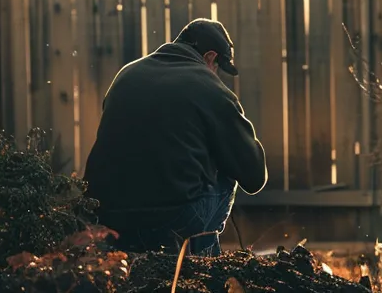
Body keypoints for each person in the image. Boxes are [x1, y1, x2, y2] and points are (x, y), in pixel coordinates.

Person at [82, 18, 267, 256]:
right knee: (225, 174)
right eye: (218, 67)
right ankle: (202, 264)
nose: (217, 74)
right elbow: (254, 177)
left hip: (107, 220)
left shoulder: (127, 74)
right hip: (171, 223)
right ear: (210, 57)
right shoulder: (210, 88)